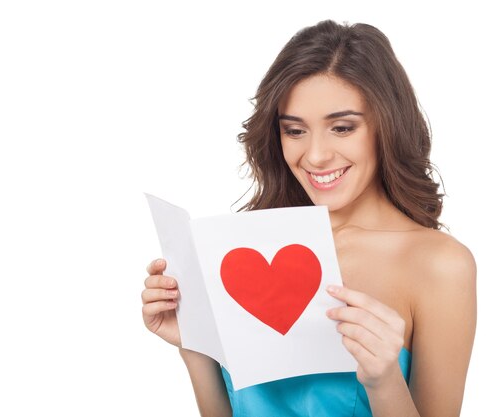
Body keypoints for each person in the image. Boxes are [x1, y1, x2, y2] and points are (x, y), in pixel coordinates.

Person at [141, 19, 476, 417]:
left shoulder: (439, 265)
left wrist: (384, 381)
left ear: (387, 125)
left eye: (342, 127)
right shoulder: (245, 245)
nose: (316, 156)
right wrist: (194, 347)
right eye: (295, 131)